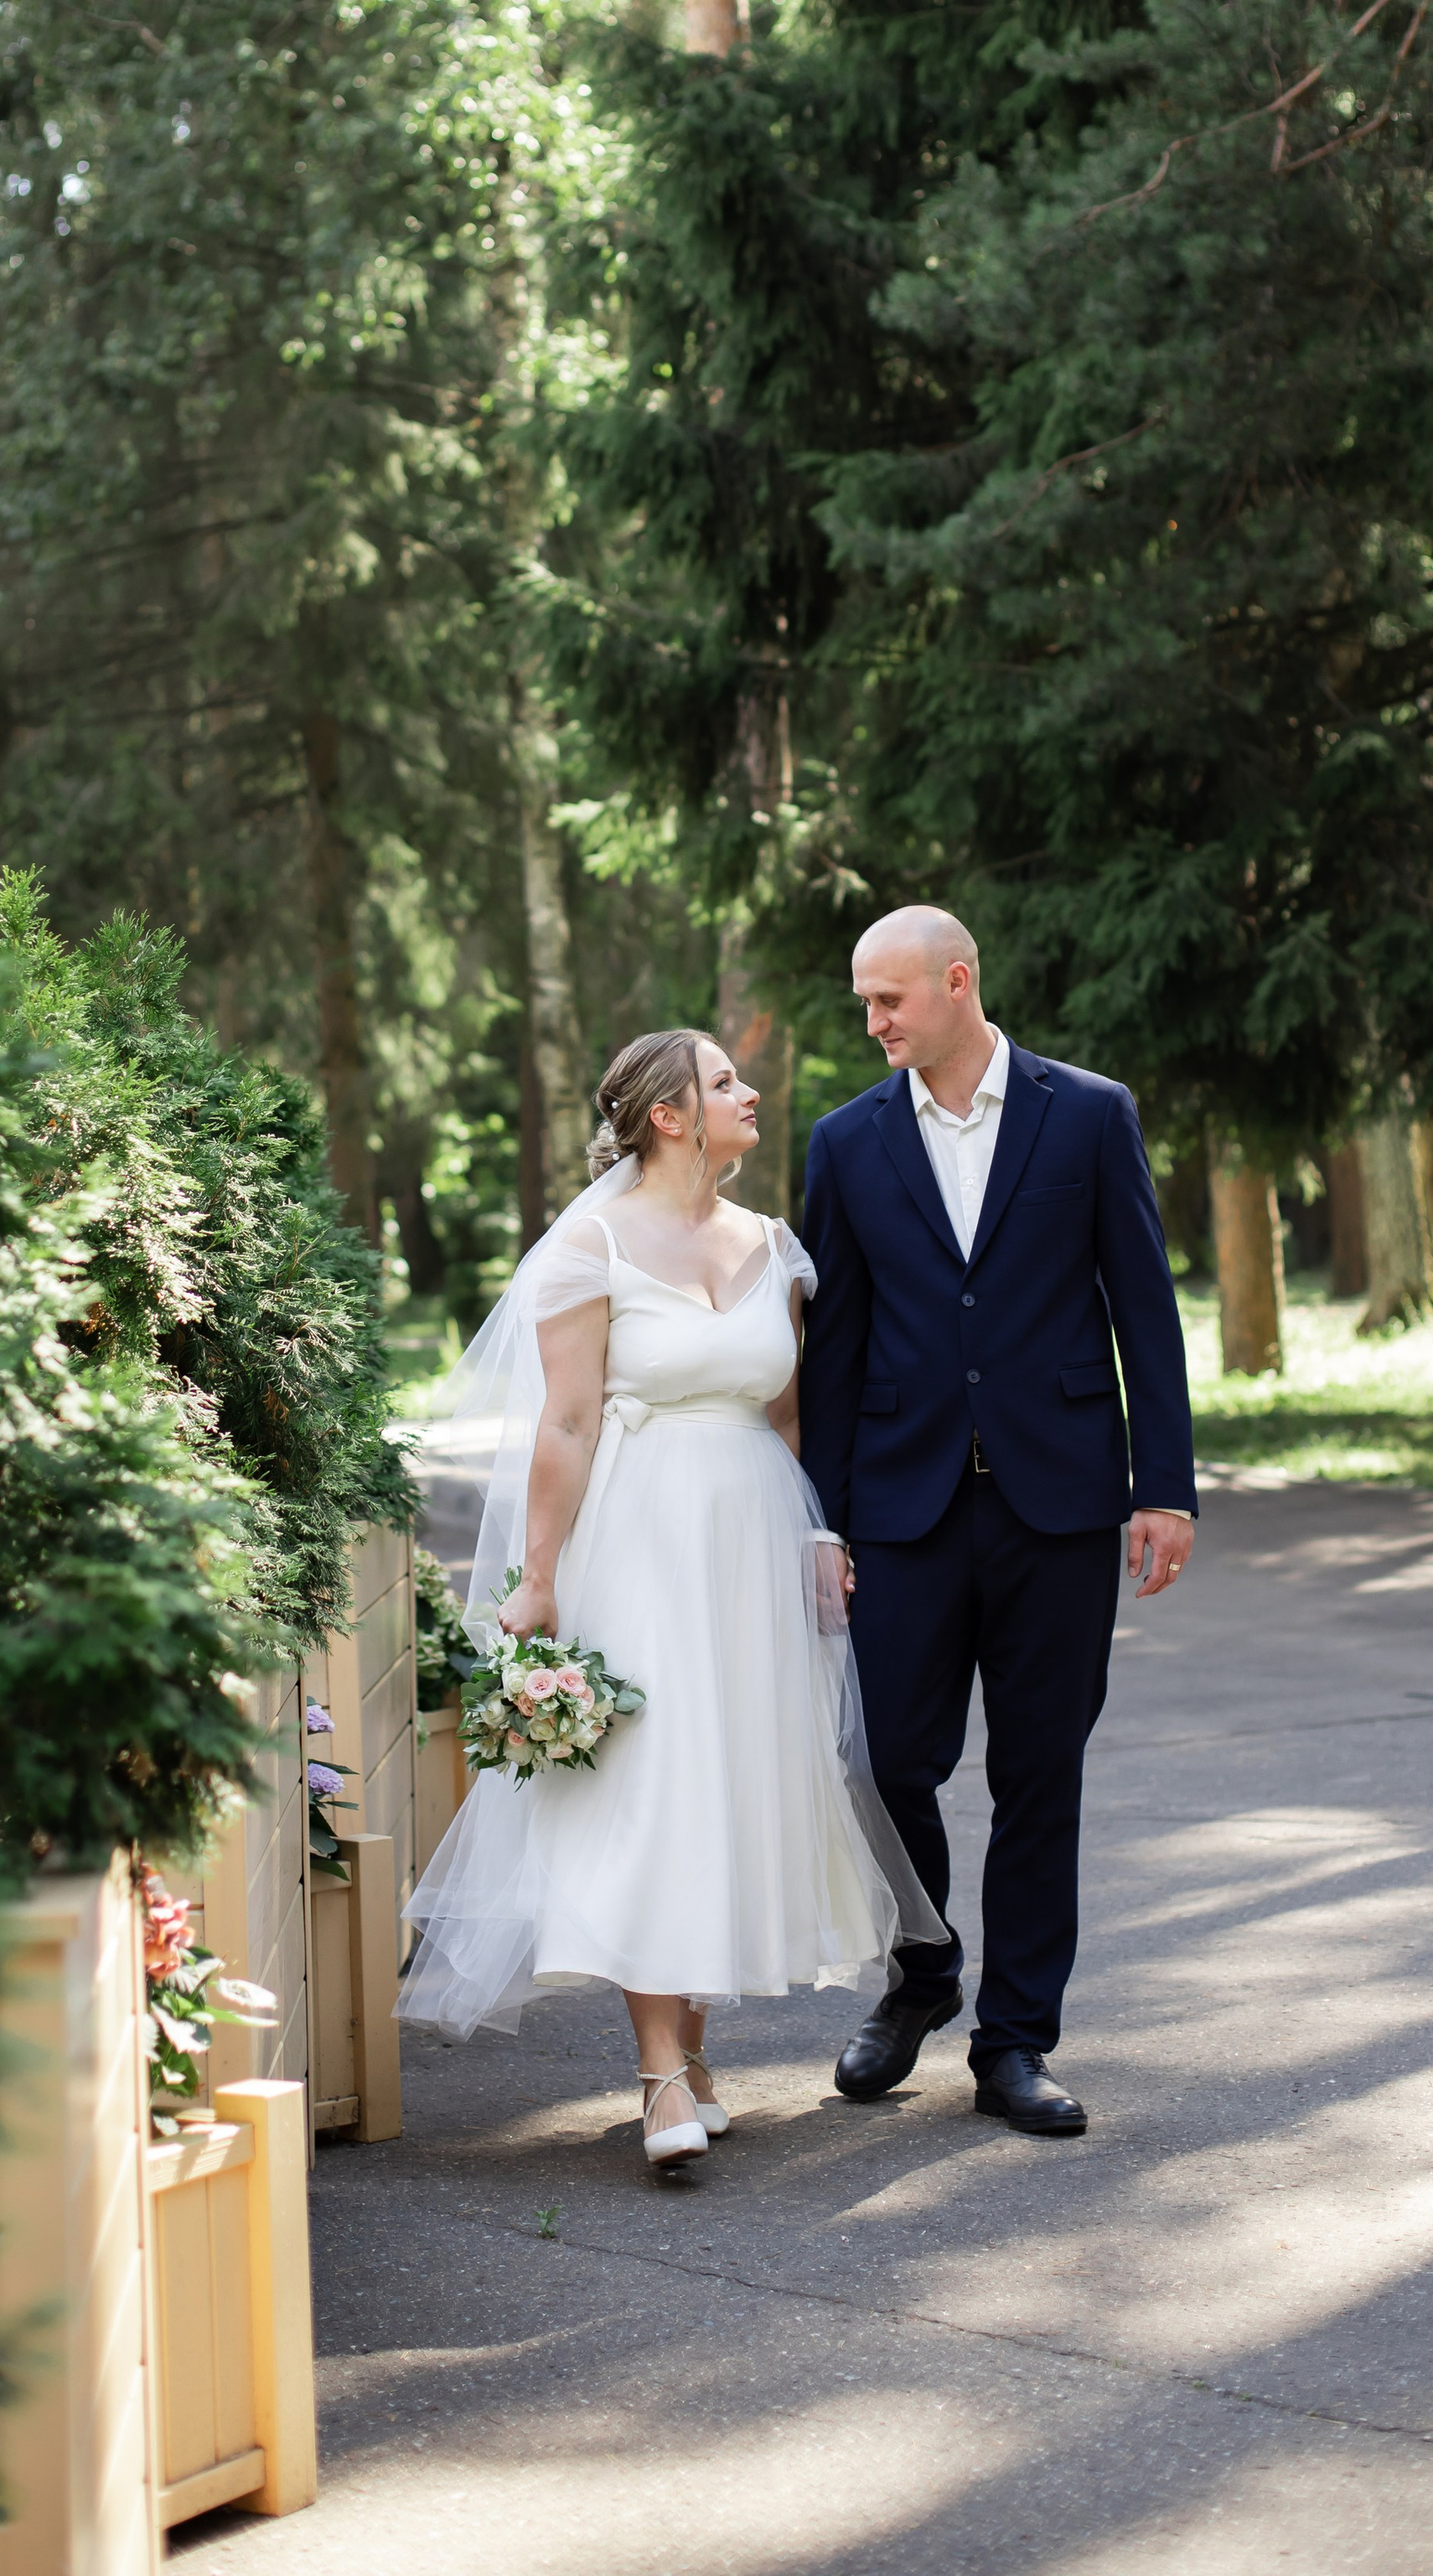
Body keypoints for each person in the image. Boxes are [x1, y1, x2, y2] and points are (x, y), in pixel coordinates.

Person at [397, 1029, 939, 2171]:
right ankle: (654, 2073)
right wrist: (537, 1577)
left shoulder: (775, 1246)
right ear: (669, 1115)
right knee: (654, 1786)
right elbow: (567, 1420)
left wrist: (819, 1534)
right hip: (638, 1533)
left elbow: (790, 1416)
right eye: (725, 1083)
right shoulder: (588, 1246)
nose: (750, 1094)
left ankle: (694, 2053)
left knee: (730, 1783)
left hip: (753, 1530)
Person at [800, 908, 1197, 2138]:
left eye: (888, 1001)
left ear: (956, 981)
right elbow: (835, 1346)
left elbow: (1144, 1305)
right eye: (865, 1003)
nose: (871, 1024)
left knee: (1040, 1774)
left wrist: (1164, 1485)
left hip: (1062, 1503)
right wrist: (825, 1521)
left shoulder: (1088, 1113)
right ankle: (923, 1973)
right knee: (880, 1763)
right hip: (904, 1506)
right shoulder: (847, 1142)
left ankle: (1016, 2041)